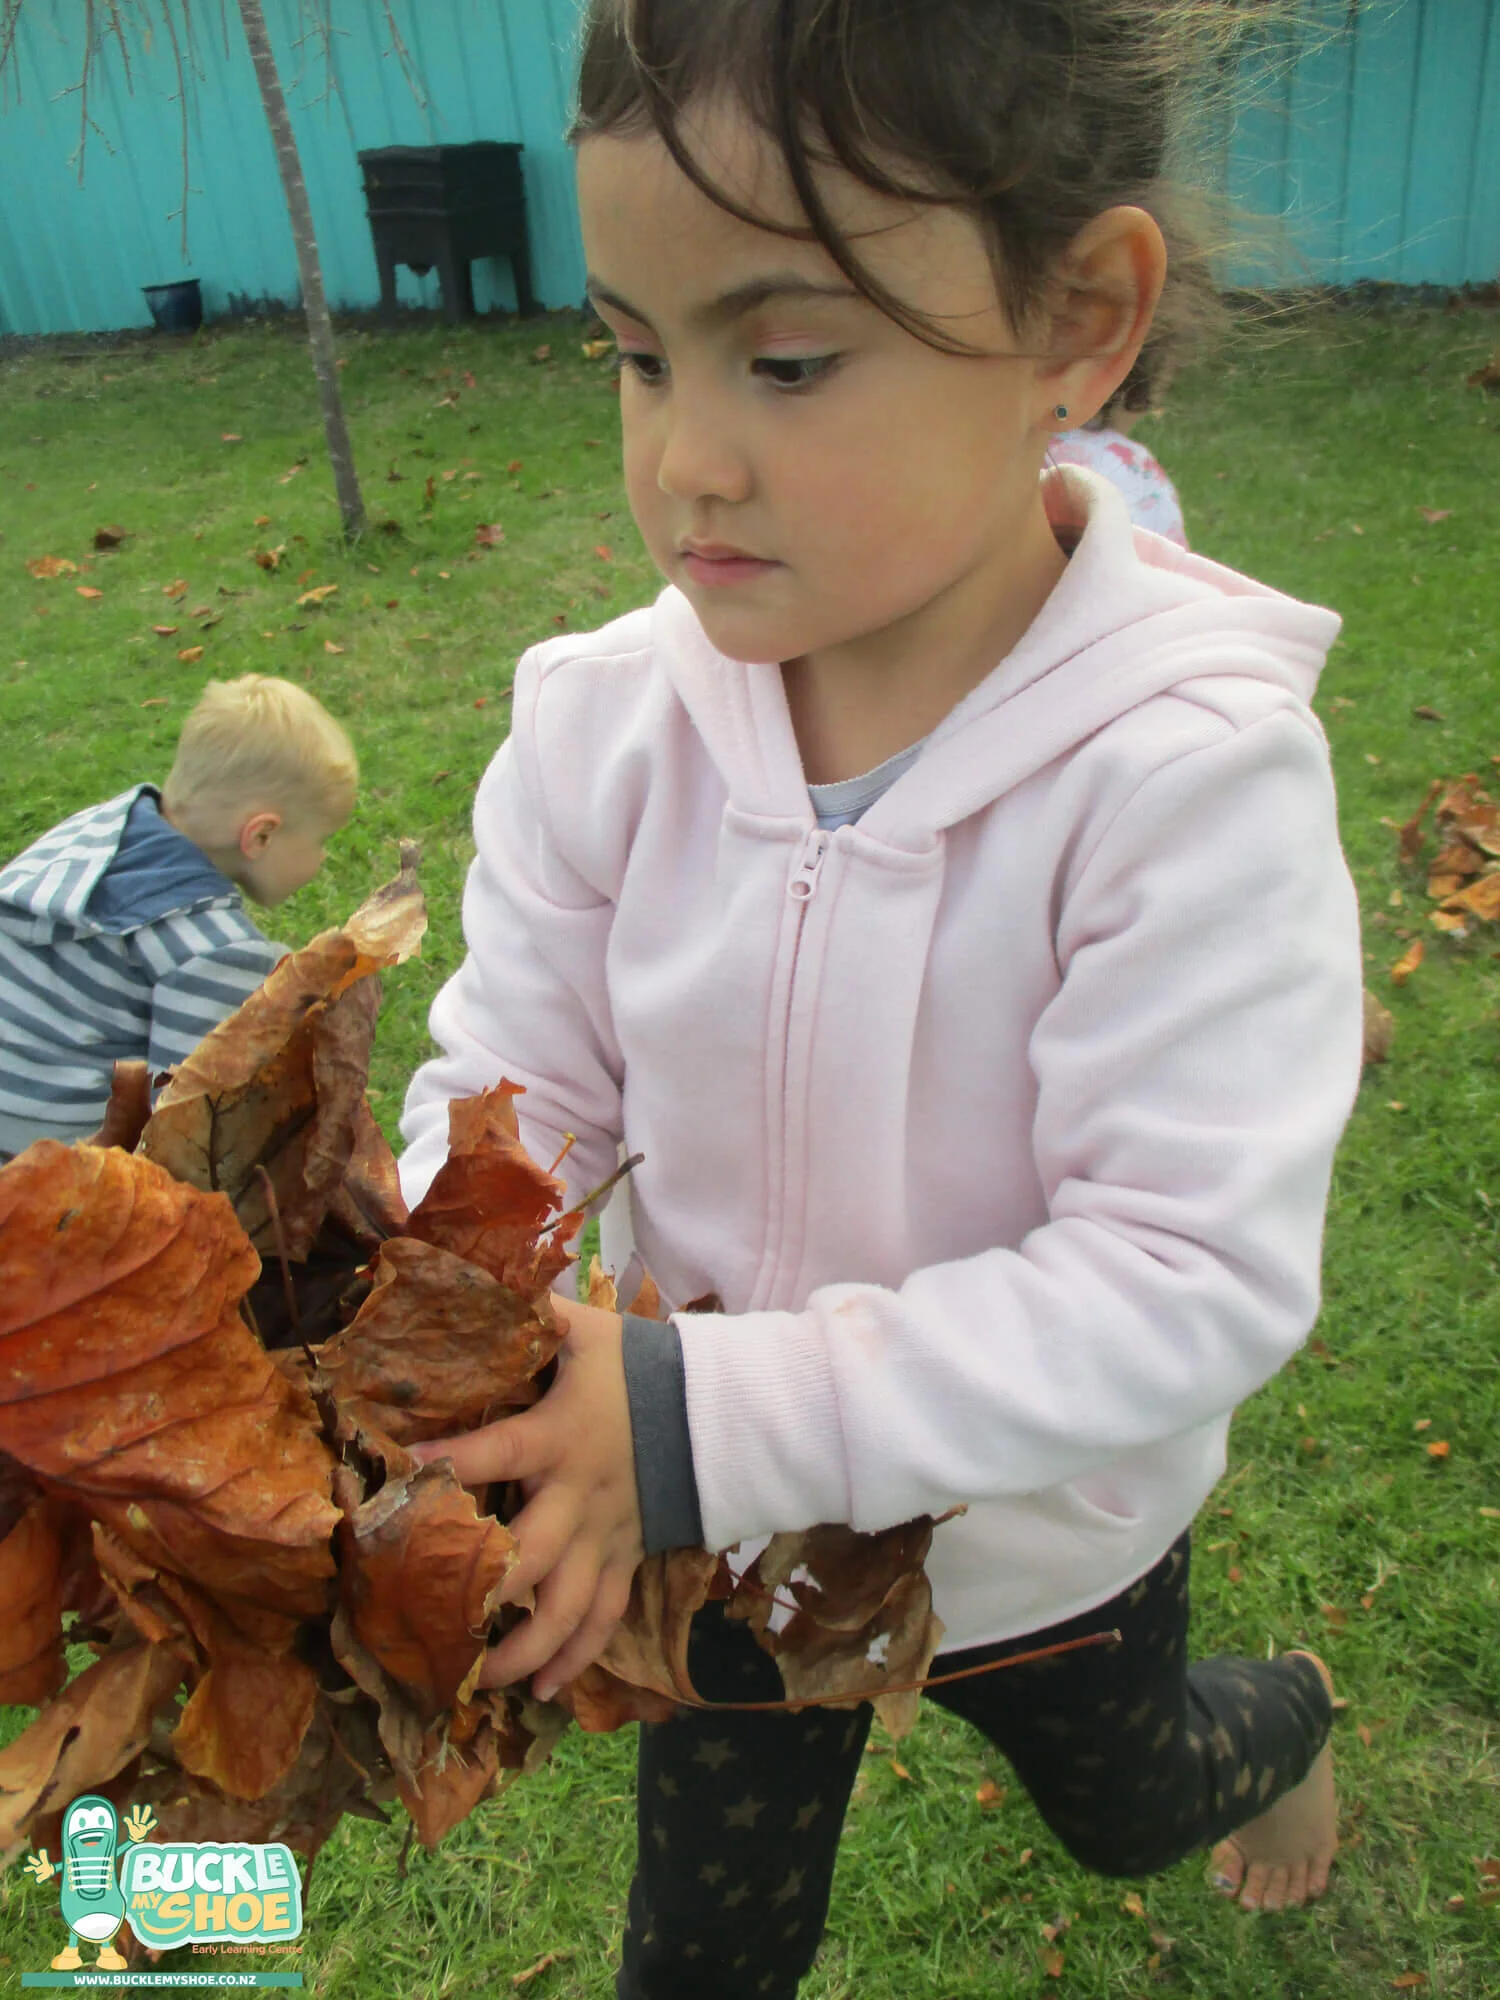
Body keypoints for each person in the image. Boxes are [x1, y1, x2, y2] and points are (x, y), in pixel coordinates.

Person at [398, 1, 1364, 1990]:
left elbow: (1186, 1269)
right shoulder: (599, 727)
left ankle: (1286, 1726)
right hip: (716, 1548)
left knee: (1132, 1805)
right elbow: (515, 1085)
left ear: (1080, 321)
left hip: (1038, 1542)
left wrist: (710, 1415)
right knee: (703, 1952)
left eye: (787, 359)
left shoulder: (1182, 780)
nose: (686, 456)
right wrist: (458, 1342)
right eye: (637, 355)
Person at [0, 674, 357, 1160]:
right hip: (42, 1168)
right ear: (261, 836)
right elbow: (189, 1127)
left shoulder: (89, 835)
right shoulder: (213, 951)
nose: (322, 858)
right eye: (321, 840)